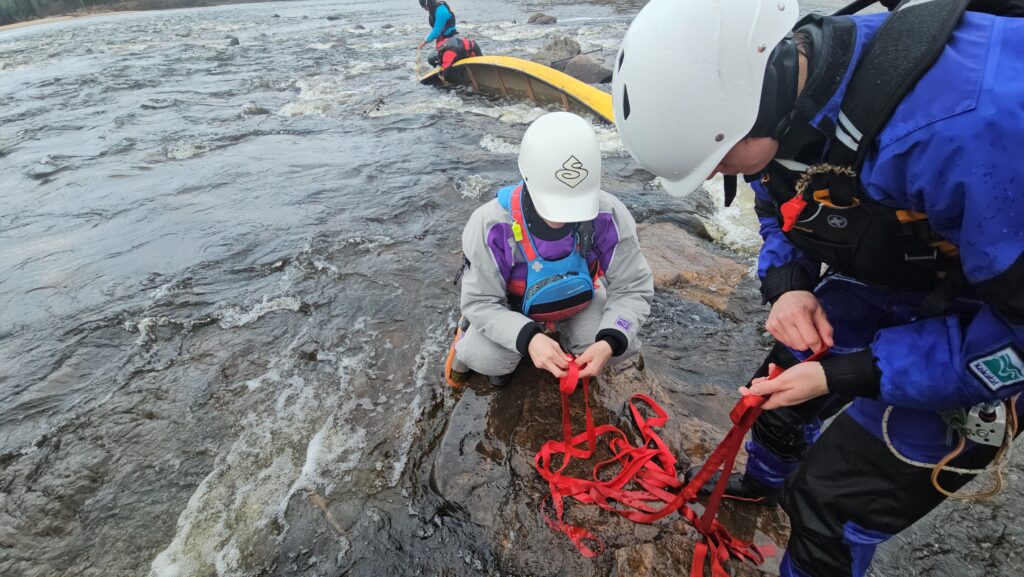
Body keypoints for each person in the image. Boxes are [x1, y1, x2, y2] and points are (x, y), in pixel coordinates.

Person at [612, 1, 1024, 576]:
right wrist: (788, 286)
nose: (712, 174)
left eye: (716, 158)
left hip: (991, 322)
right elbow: (780, 207)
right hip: (896, 273)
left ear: (753, 101)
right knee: (779, 385)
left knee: (831, 503)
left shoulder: (971, 131)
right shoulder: (789, 98)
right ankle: (763, 486)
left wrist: (850, 374)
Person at [448, 112, 654, 387]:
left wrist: (610, 340)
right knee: (487, 359)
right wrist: (528, 338)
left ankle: (574, 337)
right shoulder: (490, 225)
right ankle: (474, 333)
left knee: (621, 348)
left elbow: (632, 287)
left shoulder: (609, 215)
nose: (564, 219)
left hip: (580, 302)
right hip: (513, 309)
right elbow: (480, 302)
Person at [417, 0, 458, 65]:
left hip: (450, 38)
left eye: (424, 7)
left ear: (428, 4)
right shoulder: (435, 9)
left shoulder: (441, 11)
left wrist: (424, 42)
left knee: (447, 59)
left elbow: (436, 31)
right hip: (442, 37)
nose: (425, 9)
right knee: (440, 58)